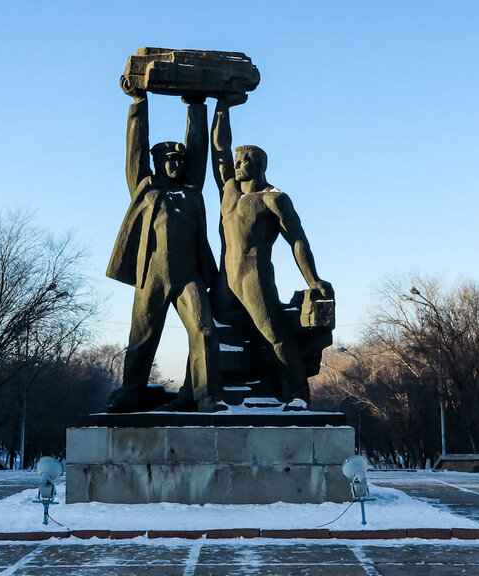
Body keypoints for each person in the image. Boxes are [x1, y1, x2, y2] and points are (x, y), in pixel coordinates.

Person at [105, 77, 224, 413]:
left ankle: (205, 395)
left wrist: (197, 106)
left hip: (189, 274)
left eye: (179, 159)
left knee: (204, 330)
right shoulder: (146, 188)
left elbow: (198, 149)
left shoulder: (191, 192)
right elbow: (136, 150)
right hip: (152, 274)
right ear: (158, 162)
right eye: (169, 158)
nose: (176, 163)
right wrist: (139, 103)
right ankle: (131, 391)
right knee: (143, 337)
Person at [210, 93, 333, 408]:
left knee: (273, 333)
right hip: (225, 278)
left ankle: (297, 393)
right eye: (237, 161)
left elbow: (297, 239)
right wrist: (222, 106)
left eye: (244, 161)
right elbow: (219, 148)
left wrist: (314, 279)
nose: (237, 165)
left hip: (254, 274)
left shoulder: (273, 198)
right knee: (214, 336)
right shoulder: (229, 191)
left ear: (259, 164)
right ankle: (216, 393)